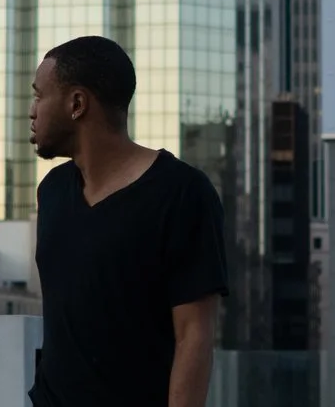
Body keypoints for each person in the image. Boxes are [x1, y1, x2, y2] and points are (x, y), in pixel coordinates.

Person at [28, 35, 225, 406]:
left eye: (39, 96)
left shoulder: (181, 192)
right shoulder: (52, 191)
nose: (32, 110)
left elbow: (194, 335)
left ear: (77, 104)